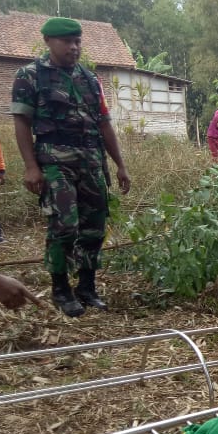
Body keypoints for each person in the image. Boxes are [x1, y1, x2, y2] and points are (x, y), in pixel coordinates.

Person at [11, 16, 131, 317]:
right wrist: (30, 167)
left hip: (91, 160)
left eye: (77, 41)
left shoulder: (90, 80)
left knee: (94, 226)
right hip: (54, 161)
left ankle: (87, 288)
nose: (74, 47)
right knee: (64, 226)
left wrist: (120, 165)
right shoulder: (30, 76)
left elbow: (104, 124)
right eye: (67, 41)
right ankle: (61, 290)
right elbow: (22, 123)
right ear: (48, 42)